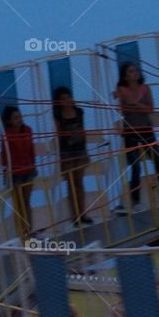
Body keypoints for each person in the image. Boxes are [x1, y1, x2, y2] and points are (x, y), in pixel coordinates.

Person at [114, 62, 159, 214]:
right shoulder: (121, 90)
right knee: (136, 166)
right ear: (126, 76)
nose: (135, 73)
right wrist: (136, 105)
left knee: (157, 160)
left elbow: (151, 109)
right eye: (131, 71)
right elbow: (122, 109)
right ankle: (136, 201)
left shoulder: (145, 88)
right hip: (130, 131)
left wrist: (135, 104)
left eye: (136, 70)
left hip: (146, 129)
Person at [52, 87, 93, 225]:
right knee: (71, 184)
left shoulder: (79, 111)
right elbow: (58, 135)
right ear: (59, 102)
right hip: (67, 153)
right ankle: (74, 216)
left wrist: (86, 150)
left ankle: (83, 214)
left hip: (80, 150)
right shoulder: (58, 116)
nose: (67, 100)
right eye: (63, 98)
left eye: (68, 97)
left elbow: (83, 131)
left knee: (79, 183)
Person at [0, 106, 37, 240]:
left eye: (20, 116)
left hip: (28, 171)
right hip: (15, 174)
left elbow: (31, 150)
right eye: (16, 118)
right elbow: (5, 158)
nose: (19, 119)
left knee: (26, 202)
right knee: (18, 205)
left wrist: (33, 165)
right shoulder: (6, 135)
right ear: (9, 121)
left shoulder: (28, 130)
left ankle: (29, 230)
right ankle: (22, 233)